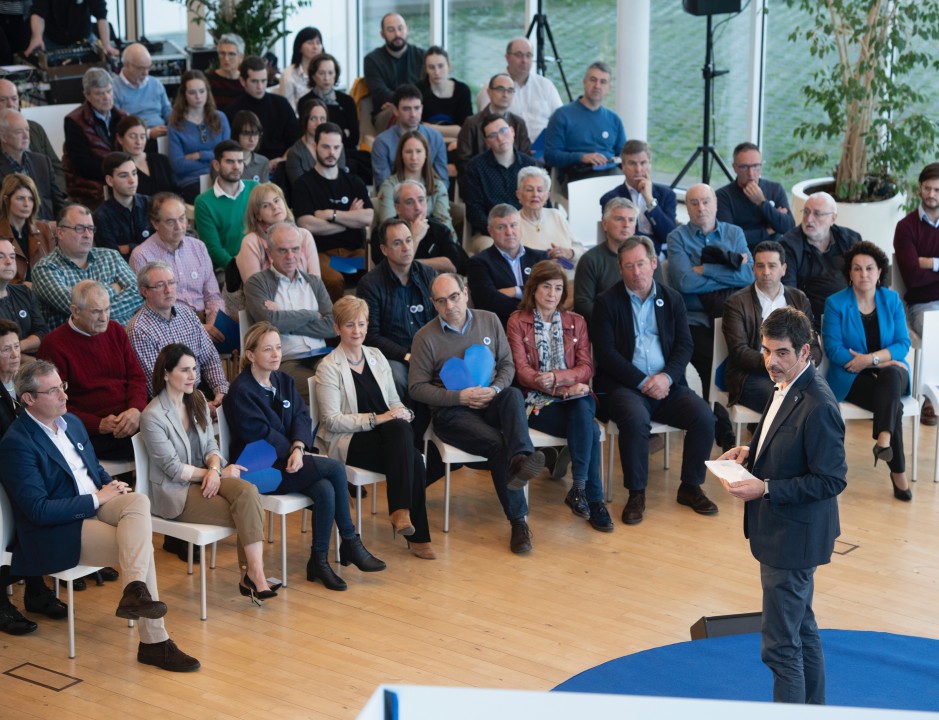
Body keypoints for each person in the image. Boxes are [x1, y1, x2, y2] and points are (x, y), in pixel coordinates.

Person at [0, 359, 201, 671]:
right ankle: (154, 641)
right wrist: (96, 498)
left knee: (137, 501)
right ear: (28, 398)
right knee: (140, 549)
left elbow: (93, 470)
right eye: (53, 391)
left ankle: (135, 594)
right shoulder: (16, 442)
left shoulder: (72, 423)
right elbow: (38, 510)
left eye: (63, 386)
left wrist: (111, 485)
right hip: (58, 529)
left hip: (96, 505)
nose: (64, 396)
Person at [718, 306, 846, 704]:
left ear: (805, 351)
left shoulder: (819, 404)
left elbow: (831, 479)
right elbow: (782, 440)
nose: (771, 361)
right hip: (783, 533)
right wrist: (750, 451)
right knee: (801, 629)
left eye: (782, 352)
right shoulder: (786, 384)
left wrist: (766, 488)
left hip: (793, 539)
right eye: (766, 350)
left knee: (780, 648)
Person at [224, 322, 386, 591]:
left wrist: (299, 446)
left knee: (324, 489)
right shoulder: (241, 390)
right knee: (335, 469)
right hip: (258, 470)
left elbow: (301, 417)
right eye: (267, 349)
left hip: (288, 459)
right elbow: (261, 434)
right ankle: (350, 542)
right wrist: (295, 451)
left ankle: (319, 561)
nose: (276, 354)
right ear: (251, 355)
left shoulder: (284, 380)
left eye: (278, 347)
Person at [408, 272, 546, 554]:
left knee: (511, 394)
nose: (450, 306)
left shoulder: (490, 320)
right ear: (433, 303)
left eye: (454, 297)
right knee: (498, 445)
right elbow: (416, 388)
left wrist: (493, 390)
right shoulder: (425, 337)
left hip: (490, 401)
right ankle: (518, 523)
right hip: (452, 413)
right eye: (442, 301)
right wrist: (458, 397)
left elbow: (507, 365)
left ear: (466, 293)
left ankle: (521, 458)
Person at [593, 235, 719, 525]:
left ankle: (690, 487)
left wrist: (666, 377)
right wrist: (642, 382)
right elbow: (606, 354)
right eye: (628, 266)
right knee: (635, 418)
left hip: (667, 384)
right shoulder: (606, 302)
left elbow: (684, 346)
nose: (635, 272)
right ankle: (636, 493)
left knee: (704, 416)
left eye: (640, 264)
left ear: (652, 263)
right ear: (620, 268)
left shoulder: (672, 298)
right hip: (625, 385)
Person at [140, 343, 276, 600]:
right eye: (185, 370)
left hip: (207, 477)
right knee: (247, 510)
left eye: (194, 369)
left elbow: (211, 446)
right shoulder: (152, 416)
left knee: (248, 491)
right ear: (166, 373)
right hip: (175, 492)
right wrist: (212, 474)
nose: (193, 376)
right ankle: (254, 577)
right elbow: (172, 468)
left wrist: (214, 468)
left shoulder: (198, 399)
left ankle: (253, 574)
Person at [315, 296, 434, 559]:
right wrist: (378, 418)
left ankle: (401, 513)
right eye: (349, 325)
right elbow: (331, 420)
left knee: (403, 433)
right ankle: (413, 531)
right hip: (349, 440)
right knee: (412, 456)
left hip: (387, 436)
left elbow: (393, 401)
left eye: (361, 324)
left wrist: (403, 412)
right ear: (337, 328)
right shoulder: (329, 367)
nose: (356, 331)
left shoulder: (377, 356)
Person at [506, 261, 613, 532]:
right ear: (533, 289)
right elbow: (522, 372)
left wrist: (558, 378)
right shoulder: (517, 321)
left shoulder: (577, 322)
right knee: (589, 428)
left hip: (573, 397)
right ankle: (592, 498)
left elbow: (586, 367)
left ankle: (579, 490)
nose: (552, 294)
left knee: (583, 405)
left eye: (557, 288)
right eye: (546, 287)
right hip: (536, 401)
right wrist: (560, 385)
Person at [822, 241, 912, 501]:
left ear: (879, 272)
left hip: (891, 371)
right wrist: (873, 363)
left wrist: (872, 360)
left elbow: (903, 343)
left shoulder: (891, 300)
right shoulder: (836, 303)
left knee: (891, 376)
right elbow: (834, 349)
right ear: (849, 273)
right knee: (894, 407)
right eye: (857, 268)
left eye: (869, 268)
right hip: (852, 377)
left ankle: (884, 441)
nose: (864, 274)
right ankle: (896, 469)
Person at [666, 183, 753, 451]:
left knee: (742, 359)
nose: (701, 208)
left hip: (730, 318)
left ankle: (742, 422)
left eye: (706, 201)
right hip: (692, 320)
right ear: (687, 207)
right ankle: (723, 430)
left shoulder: (734, 233)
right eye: (694, 203)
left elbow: (748, 276)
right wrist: (729, 270)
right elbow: (684, 282)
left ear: (716, 204)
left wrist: (704, 269)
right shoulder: (677, 238)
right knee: (710, 364)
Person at [0, 319, 65, 636]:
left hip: (20, 469)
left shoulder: (18, 385)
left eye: (16, 347)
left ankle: (37, 588)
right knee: (28, 506)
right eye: (5, 350)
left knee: (43, 496)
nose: (14, 354)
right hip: (3, 477)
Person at [36, 279, 145, 461]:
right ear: (75, 311)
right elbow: (52, 402)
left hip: (130, 418)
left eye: (107, 309)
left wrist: (136, 409)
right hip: (88, 430)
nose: (104, 317)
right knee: (157, 444)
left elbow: (137, 378)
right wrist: (97, 424)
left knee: (170, 429)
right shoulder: (53, 345)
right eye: (96, 312)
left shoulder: (116, 330)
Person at [243, 222, 336, 403]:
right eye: (282, 250)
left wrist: (285, 319)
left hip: (321, 354)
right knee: (322, 386)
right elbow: (269, 322)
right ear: (269, 253)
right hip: (284, 360)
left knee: (343, 378)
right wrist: (311, 314)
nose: (290, 256)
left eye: (295, 249)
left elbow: (333, 326)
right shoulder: (257, 283)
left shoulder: (314, 282)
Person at [723, 241, 819, 413]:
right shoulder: (736, 302)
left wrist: (801, 365)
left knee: (818, 397)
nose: (766, 272)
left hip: (794, 373)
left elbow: (812, 343)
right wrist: (781, 364)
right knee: (786, 399)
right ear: (753, 269)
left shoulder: (799, 298)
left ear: (783, 269)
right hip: (751, 375)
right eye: (760, 266)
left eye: (772, 266)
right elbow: (739, 352)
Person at [129, 261, 228, 407]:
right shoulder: (139, 329)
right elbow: (157, 385)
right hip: (172, 404)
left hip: (202, 390)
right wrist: (201, 406)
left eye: (171, 283)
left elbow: (210, 358)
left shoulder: (187, 313)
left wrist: (220, 391)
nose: (168, 290)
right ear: (145, 292)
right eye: (160, 285)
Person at [357, 218, 438, 397]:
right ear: (384, 250)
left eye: (409, 240)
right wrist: (407, 356)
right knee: (396, 379)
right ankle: (403, 415)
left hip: (430, 351)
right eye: (397, 243)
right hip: (394, 356)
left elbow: (441, 319)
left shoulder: (428, 275)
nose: (406, 247)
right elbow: (371, 336)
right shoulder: (370, 284)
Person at [293, 122, 374, 297]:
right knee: (333, 280)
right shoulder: (303, 184)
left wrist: (332, 215)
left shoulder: (354, 182)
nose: (331, 152)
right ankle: (333, 316)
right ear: (315, 146)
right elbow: (306, 224)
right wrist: (350, 220)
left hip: (354, 253)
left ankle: (365, 314)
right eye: (326, 147)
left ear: (341, 148)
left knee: (377, 271)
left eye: (336, 147)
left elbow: (369, 217)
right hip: (320, 253)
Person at [129, 193, 223, 342]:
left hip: (208, 323)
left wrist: (213, 324)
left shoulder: (198, 247)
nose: (179, 227)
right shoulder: (142, 256)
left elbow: (213, 296)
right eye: (170, 222)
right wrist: (197, 329)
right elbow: (146, 310)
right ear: (155, 223)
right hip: (169, 331)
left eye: (182, 218)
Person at [32, 203, 142, 328]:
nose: (87, 235)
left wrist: (93, 309)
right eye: (79, 228)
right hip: (76, 339)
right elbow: (76, 307)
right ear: (60, 233)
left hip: (122, 335)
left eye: (90, 228)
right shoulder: (45, 268)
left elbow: (139, 292)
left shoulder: (110, 256)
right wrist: (114, 289)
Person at [893, 162, 939, 426]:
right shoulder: (906, 227)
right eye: (927, 188)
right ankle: (931, 399)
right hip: (923, 304)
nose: (931, 194)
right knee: (937, 328)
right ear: (920, 188)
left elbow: (921, 270)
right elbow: (912, 277)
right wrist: (921, 267)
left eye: (937, 190)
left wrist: (930, 263)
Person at [234, 182, 323, 309]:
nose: (275, 207)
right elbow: (255, 292)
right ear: (257, 215)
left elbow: (316, 283)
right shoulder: (251, 241)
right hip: (269, 311)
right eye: (266, 205)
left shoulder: (304, 235)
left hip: (306, 305)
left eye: (277, 200)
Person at [779, 191, 860, 328]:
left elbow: (865, 279)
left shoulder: (850, 240)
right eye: (806, 212)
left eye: (817, 214)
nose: (809, 219)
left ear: (833, 218)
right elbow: (790, 294)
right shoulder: (789, 245)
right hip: (813, 321)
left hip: (851, 315)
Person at [462, 114, 539, 254]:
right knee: (494, 252)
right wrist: (500, 231)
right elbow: (474, 211)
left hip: (528, 228)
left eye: (503, 131)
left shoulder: (529, 164)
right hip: (491, 234)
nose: (500, 138)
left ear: (512, 131)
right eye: (492, 135)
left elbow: (543, 203)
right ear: (487, 141)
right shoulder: (475, 168)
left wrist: (522, 229)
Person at [467, 204, 550, 327]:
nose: (509, 232)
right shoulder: (478, 263)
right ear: (490, 231)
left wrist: (515, 291)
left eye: (513, 225)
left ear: (520, 227)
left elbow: (550, 292)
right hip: (502, 329)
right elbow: (489, 303)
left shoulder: (540, 258)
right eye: (501, 227)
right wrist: (533, 307)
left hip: (543, 327)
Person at [545, 62, 626, 185]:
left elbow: (624, 155)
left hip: (610, 173)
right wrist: (582, 157)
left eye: (603, 82)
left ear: (608, 88)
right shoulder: (562, 115)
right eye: (593, 80)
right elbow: (551, 156)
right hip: (576, 177)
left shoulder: (614, 119)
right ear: (584, 82)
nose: (597, 86)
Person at [598, 140, 677, 259]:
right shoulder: (610, 198)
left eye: (643, 163)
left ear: (650, 164)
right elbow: (620, 236)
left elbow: (669, 236)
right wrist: (652, 249)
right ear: (623, 166)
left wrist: (649, 199)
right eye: (632, 163)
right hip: (628, 256)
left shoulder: (667, 195)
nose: (638, 169)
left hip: (663, 257)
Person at [475, 38, 562, 142]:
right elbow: (484, 126)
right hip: (507, 147)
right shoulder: (491, 87)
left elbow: (560, 120)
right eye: (519, 55)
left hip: (544, 147)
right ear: (507, 57)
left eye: (528, 55)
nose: (524, 60)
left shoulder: (546, 86)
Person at [62, 68, 127, 207]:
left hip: (119, 179)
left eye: (109, 91)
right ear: (87, 95)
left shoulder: (122, 117)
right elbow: (82, 164)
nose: (106, 97)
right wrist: (115, 173)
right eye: (99, 93)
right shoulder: (74, 121)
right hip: (90, 186)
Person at [716, 142, 794, 252]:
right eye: (744, 167)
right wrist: (768, 230)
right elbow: (729, 238)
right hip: (742, 254)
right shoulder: (723, 196)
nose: (751, 173)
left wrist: (762, 203)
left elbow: (789, 227)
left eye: (756, 166)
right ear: (735, 168)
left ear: (761, 166)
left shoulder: (775, 189)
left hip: (774, 254)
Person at [225, 55, 299, 170]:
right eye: (254, 81)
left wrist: (283, 159)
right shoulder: (232, 110)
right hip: (247, 167)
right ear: (242, 81)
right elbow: (231, 148)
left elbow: (295, 140)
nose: (260, 86)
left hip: (281, 165)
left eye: (263, 81)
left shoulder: (282, 104)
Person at [194, 140, 258, 270]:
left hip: (260, 261)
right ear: (216, 165)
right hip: (227, 269)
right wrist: (239, 269)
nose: (236, 167)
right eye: (230, 161)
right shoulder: (203, 202)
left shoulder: (255, 188)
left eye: (240, 161)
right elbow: (213, 249)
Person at [168, 70, 231, 203]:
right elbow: (178, 165)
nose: (198, 96)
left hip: (221, 176)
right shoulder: (175, 124)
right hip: (190, 181)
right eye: (192, 92)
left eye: (202, 91)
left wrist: (199, 155)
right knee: (212, 200)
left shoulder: (220, 118)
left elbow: (227, 156)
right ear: (184, 95)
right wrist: (214, 158)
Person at [370, 85, 449, 191]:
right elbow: (384, 186)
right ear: (395, 110)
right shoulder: (382, 142)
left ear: (422, 108)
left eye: (417, 108)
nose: (413, 114)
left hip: (430, 196)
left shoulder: (435, 138)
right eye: (406, 109)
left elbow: (443, 180)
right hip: (396, 198)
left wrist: (428, 198)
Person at [376, 130, 454, 236]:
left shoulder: (438, 186)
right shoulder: (389, 186)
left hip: (434, 239)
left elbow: (445, 224)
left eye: (418, 151)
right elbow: (388, 225)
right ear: (401, 155)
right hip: (401, 240)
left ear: (426, 154)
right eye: (408, 152)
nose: (414, 157)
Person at [572, 197, 637, 323]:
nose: (626, 225)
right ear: (605, 224)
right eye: (619, 219)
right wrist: (616, 321)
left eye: (631, 220)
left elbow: (660, 296)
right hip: (606, 326)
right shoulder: (590, 260)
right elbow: (582, 305)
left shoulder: (647, 257)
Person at [379, 178, 465, 274]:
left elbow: (452, 266)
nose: (418, 207)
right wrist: (414, 237)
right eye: (409, 202)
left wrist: (411, 264)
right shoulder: (385, 232)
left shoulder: (439, 229)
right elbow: (391, 270)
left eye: (421, 200)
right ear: (397, 208)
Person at [456, 72, 531, 174]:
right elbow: (463, 161)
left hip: (515, 179)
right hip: (479, 178)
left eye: (510, 90)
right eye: (500, 89)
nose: (505, 95)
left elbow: (526, 159)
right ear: (489, 92)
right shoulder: (472, 123)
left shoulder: (518, 123)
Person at [0, 109, 67, 222]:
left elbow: (58, 203)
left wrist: (62, 226)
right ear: (3, 137)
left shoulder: (42, 162)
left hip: (47, 226)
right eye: (19, 132)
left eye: (27, 130)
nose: (26, 136)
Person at [363, 12, 426, 128]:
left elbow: (427, 88)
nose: (397, 34)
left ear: (407, 29)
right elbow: (379, 92)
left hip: (418, 108)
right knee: (399, 112)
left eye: (400, 28)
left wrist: (402, 103)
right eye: (391, 30)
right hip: (386, 113)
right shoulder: (372, 60)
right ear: (382, 34)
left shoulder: (422, 56)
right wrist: (400, 105)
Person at [0, 79, 65, 190]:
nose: (10, 104)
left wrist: (58, 194)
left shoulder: (35, 128)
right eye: (2, 100)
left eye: (14, 99)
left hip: (46, 194)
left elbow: (57, 168)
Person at [515, 166, 582, 264]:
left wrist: (570, 253)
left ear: (547, 196)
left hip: (565, 272)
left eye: (540, 190)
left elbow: (581, 249)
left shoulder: (556, 215)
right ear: (518, 195)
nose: (535, 194)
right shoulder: (512, 223)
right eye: (529, 190)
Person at [93, 152, 153, 259]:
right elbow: (112, 258)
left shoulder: (150, 204)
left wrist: (130, 247)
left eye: (134, 173)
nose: (132, 180)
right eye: (124, 176)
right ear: (110, 181)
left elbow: (164, 243)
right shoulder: (101, 216)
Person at [297, 54, 360, 154]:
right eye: (321, 73)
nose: (326, 78)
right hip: (313, 153)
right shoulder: (305, 101)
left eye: (330, 73)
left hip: (345, 152)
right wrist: (343, 133)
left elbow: (354, 138)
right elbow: (305, 135)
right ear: (313, 75)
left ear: (336, 75)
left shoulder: (347, 101)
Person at [0, 172, 55, 284]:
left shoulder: (44, 229)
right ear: (6, 200)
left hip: (43, 290)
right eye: (20, 198)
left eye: (31, 199)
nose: (26, 204)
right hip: (9, 292)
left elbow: (55, 268)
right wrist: (23, 287)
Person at [111, 43, 172, 140]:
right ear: (126, 65)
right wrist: (148, 133)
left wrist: (174, 126)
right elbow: (118, 125)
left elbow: (167, 110)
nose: (146, 73)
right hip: (136, 139)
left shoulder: (155, 83)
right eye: (140, 68)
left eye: (148, 67)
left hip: (163, 134)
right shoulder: (113, 88)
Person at [416, 46, 472, 148]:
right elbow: (417, 129)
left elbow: (465, 130)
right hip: (426, 145)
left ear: (449, 66)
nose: (437, 72)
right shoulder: (418, 90)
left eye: (441, 66)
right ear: (426, 69)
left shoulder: (462, 90)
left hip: (455, 145)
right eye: (431, 67)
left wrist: (429, 127)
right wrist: (451, 134)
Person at [0, 239, 49, 353]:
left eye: (12, 257)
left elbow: (42, 332)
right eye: (1, 257)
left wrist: (16, 348)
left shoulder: (24, 292)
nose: (9, 262)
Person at [25, 0, 119, 57]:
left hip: (83, 38)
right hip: (52, 39)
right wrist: (37, 37)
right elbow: (38, 13)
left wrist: (106, 44)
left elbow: (101, 15)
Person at [115, 115, 177, 197]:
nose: (139, 142)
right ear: (120, 139)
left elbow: (176, 191)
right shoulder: (118, 168)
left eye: (142, 137)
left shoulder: (162, 160)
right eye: (133, 137)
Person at [279, 27, 324, 112]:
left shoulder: (326, 71)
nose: (315, 47)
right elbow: (288, 108)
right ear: (299, 47)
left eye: (318, 43)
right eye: (310, 43)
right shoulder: (289, 73)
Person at [228, 110, 270, 184]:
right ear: (236, 134)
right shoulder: (226, 162)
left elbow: (264, 190)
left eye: (256, 133)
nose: (252, 139)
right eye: (246, 133)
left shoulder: (263, 162)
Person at [208, 34, 245, 112]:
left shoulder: (246, 81)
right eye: (222, 53)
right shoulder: (209, 81)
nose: (226, 58)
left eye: (231, 54)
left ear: (241, 58)